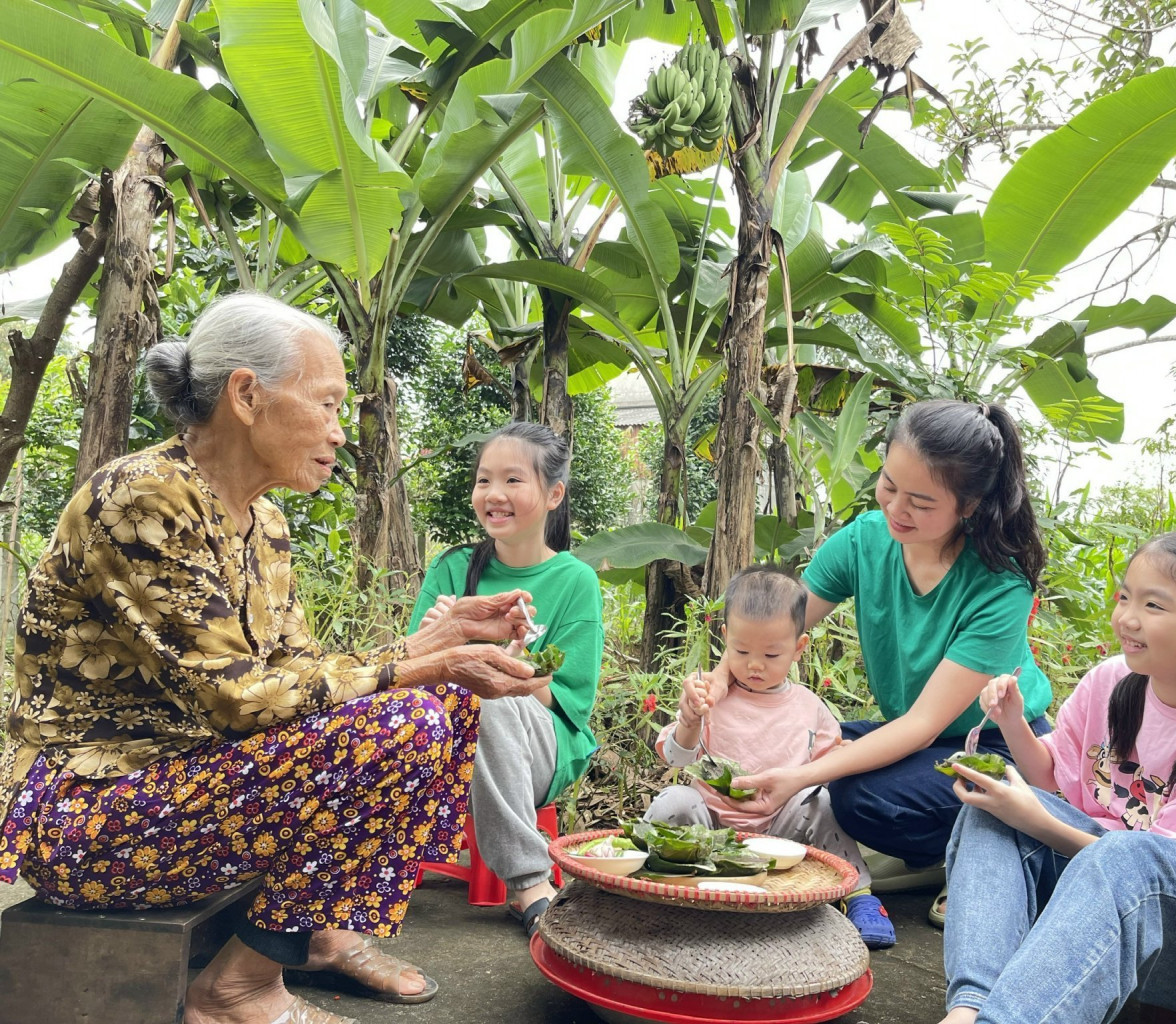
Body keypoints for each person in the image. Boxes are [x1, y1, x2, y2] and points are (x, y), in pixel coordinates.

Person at [0, 293, 549, 1024]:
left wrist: (435, 646)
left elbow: (301, 674)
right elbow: (239, 700)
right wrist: (423, 663)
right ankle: (238, 989)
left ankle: (318, 932)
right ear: (247, 395)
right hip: (88, 820)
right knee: (407, 718)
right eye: (325, 403)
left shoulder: (264, 520)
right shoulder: (143, 501)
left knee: (441, 706)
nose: (338, 431)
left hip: (186, 790)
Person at [939, 530, 1176, 1024]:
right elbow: (1050, 778)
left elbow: (1152, 874)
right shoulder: (1111, 682)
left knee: (1126, 851)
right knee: (993, 803)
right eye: (1125, 596)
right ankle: (971, 1008)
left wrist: (1037, 821)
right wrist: (1012, 721)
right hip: (1109, 892)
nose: (1126, 618)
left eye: (1154, 605)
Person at [729, 400, 1051, 926]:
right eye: (889, 484)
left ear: (968, 505)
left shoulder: (1000, 584)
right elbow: (776, 629)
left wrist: (802, 776)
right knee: (795, 738)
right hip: (913, 733)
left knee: (859, 797)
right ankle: (938, 846)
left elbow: (925, 726)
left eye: (921, 502)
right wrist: (722, 680)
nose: (896, 508)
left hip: (994, 744)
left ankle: (993, 849)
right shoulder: (864, 539)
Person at [408, 422, 603, 939]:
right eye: (483, 480)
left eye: (513, 481)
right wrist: (437, 641)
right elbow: (405, 676)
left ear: (553, 493)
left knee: (490, 700)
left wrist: (513, 668)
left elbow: (569, 703)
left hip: (540, 741)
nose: (493, 495)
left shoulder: (574, 581)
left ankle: (528, 884)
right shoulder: (451, 569)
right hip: (446, 741)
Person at [647, 567, 894, 948]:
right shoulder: (712, 697)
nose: (755, 665)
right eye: (742, 651)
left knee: (824, 802)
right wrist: (690, 721)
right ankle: (642, 876)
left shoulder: (809, 707)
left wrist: (828, 768)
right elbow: (677, 758)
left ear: (798, 648)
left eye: (772, 653)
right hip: (709, 829)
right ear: (725, 638)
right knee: (675, 800)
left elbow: (831, 763)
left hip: (781, 833)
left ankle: (859, 895)